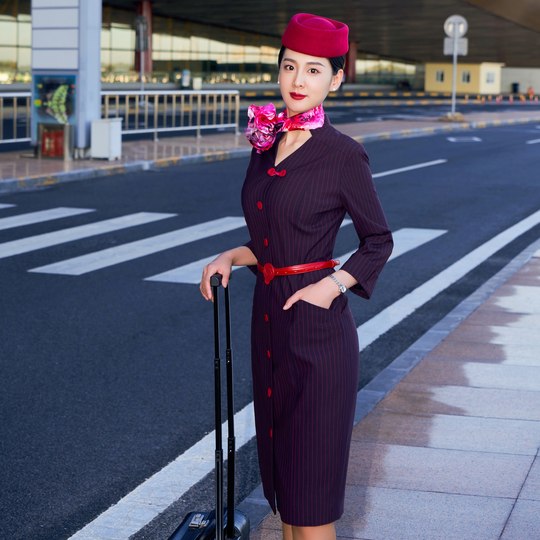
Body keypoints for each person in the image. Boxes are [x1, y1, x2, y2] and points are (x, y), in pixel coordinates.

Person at [200, 12, 393, 540]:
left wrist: (330, 286)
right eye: (290, 67)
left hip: (317, 336)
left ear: (336, 80)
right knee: (286, 501)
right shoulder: (265, 145)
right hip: (269, 330)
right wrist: (230, 258)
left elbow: (379, 240)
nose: (297, 81)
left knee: (311, 513)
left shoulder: (344, 155)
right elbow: (268, 240)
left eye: (313, 70)